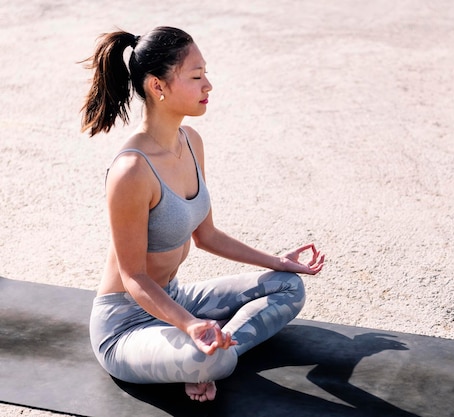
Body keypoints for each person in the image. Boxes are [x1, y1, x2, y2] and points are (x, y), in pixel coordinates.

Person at [81, 26, 325, 402]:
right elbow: (133, 278)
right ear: (157, 87)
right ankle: (207, 355)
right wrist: (191, 325)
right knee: (211, 360)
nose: (208, 85)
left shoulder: (191, 142)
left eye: (205, 73)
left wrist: (278, 261)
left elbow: (206, 235)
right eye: (196, 77)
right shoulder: (131, 171)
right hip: (125, 324)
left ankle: (216, 348)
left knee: (288, 286)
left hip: (175, 298)